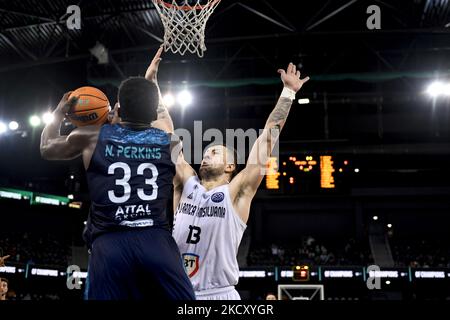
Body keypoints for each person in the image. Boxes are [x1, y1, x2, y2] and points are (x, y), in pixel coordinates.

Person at [40, 47, 195, 300]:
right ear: (152, 113)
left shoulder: (90, 136)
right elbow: (163, 116)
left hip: (110, 245)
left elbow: (47, 147)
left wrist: (59, 111)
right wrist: (151, 80)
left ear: (118, 112)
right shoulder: (170, 142)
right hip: (156, 241)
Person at [171, 63, 309, 299]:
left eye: (215, 152)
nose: (206, 155)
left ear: (230, 167)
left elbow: (267, 138)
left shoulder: (236, 191)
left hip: (219, 294)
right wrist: (149, 88)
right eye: (206, 151)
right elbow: (166, 135)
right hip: (177, 292)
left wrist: (288, 93)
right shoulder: (185, 182)